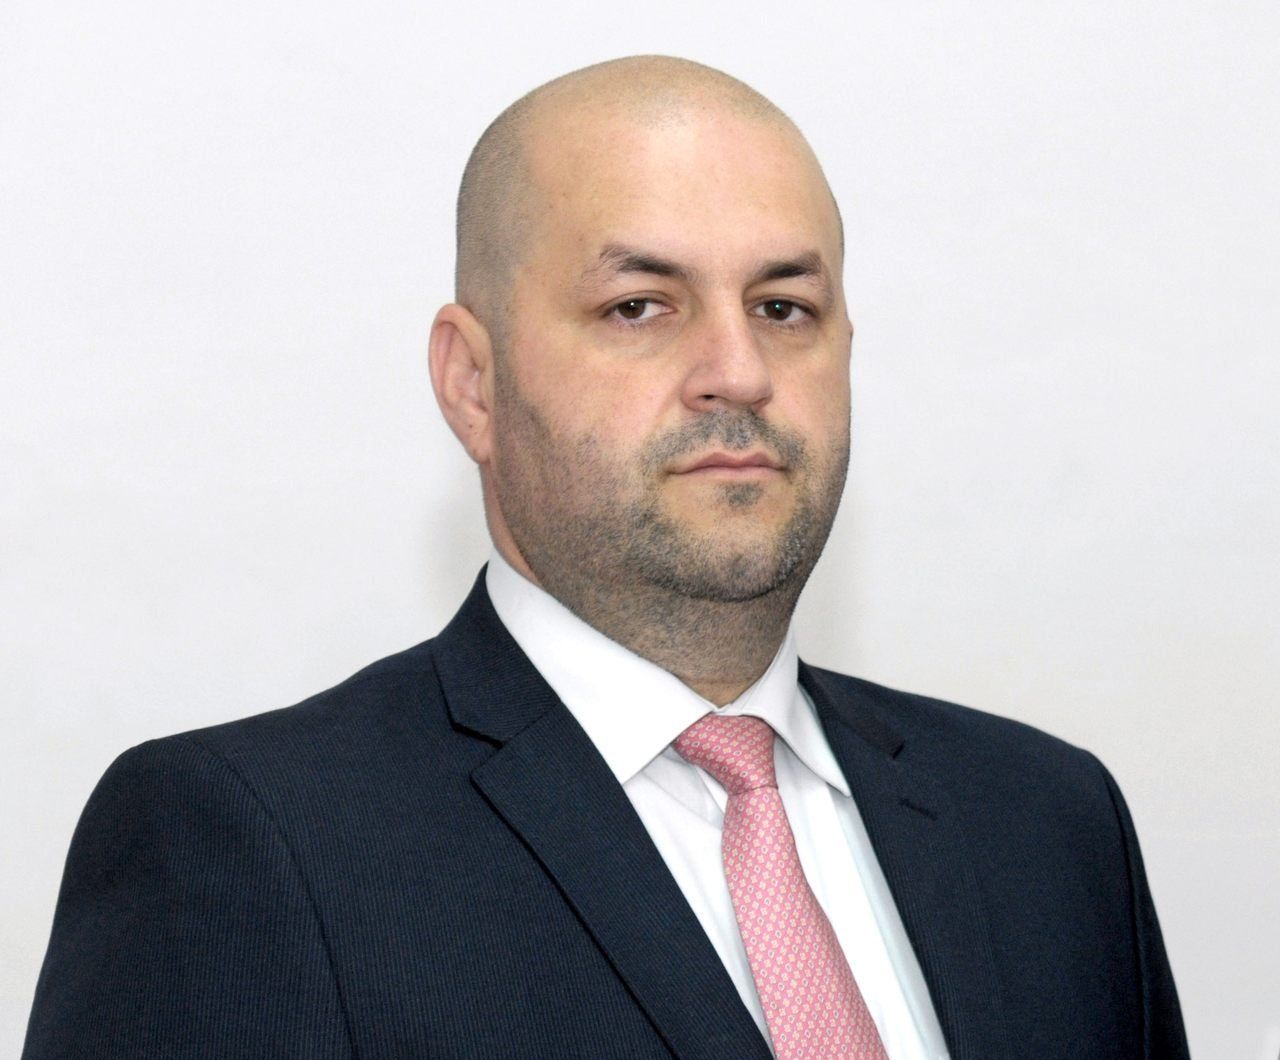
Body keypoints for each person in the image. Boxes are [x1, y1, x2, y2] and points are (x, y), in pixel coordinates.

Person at [23, 56, 1189, 1059]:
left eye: (782, 307)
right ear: (471, 383)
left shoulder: (1046, 823)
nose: (736, 372)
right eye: (638, 306)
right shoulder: (248, 846)